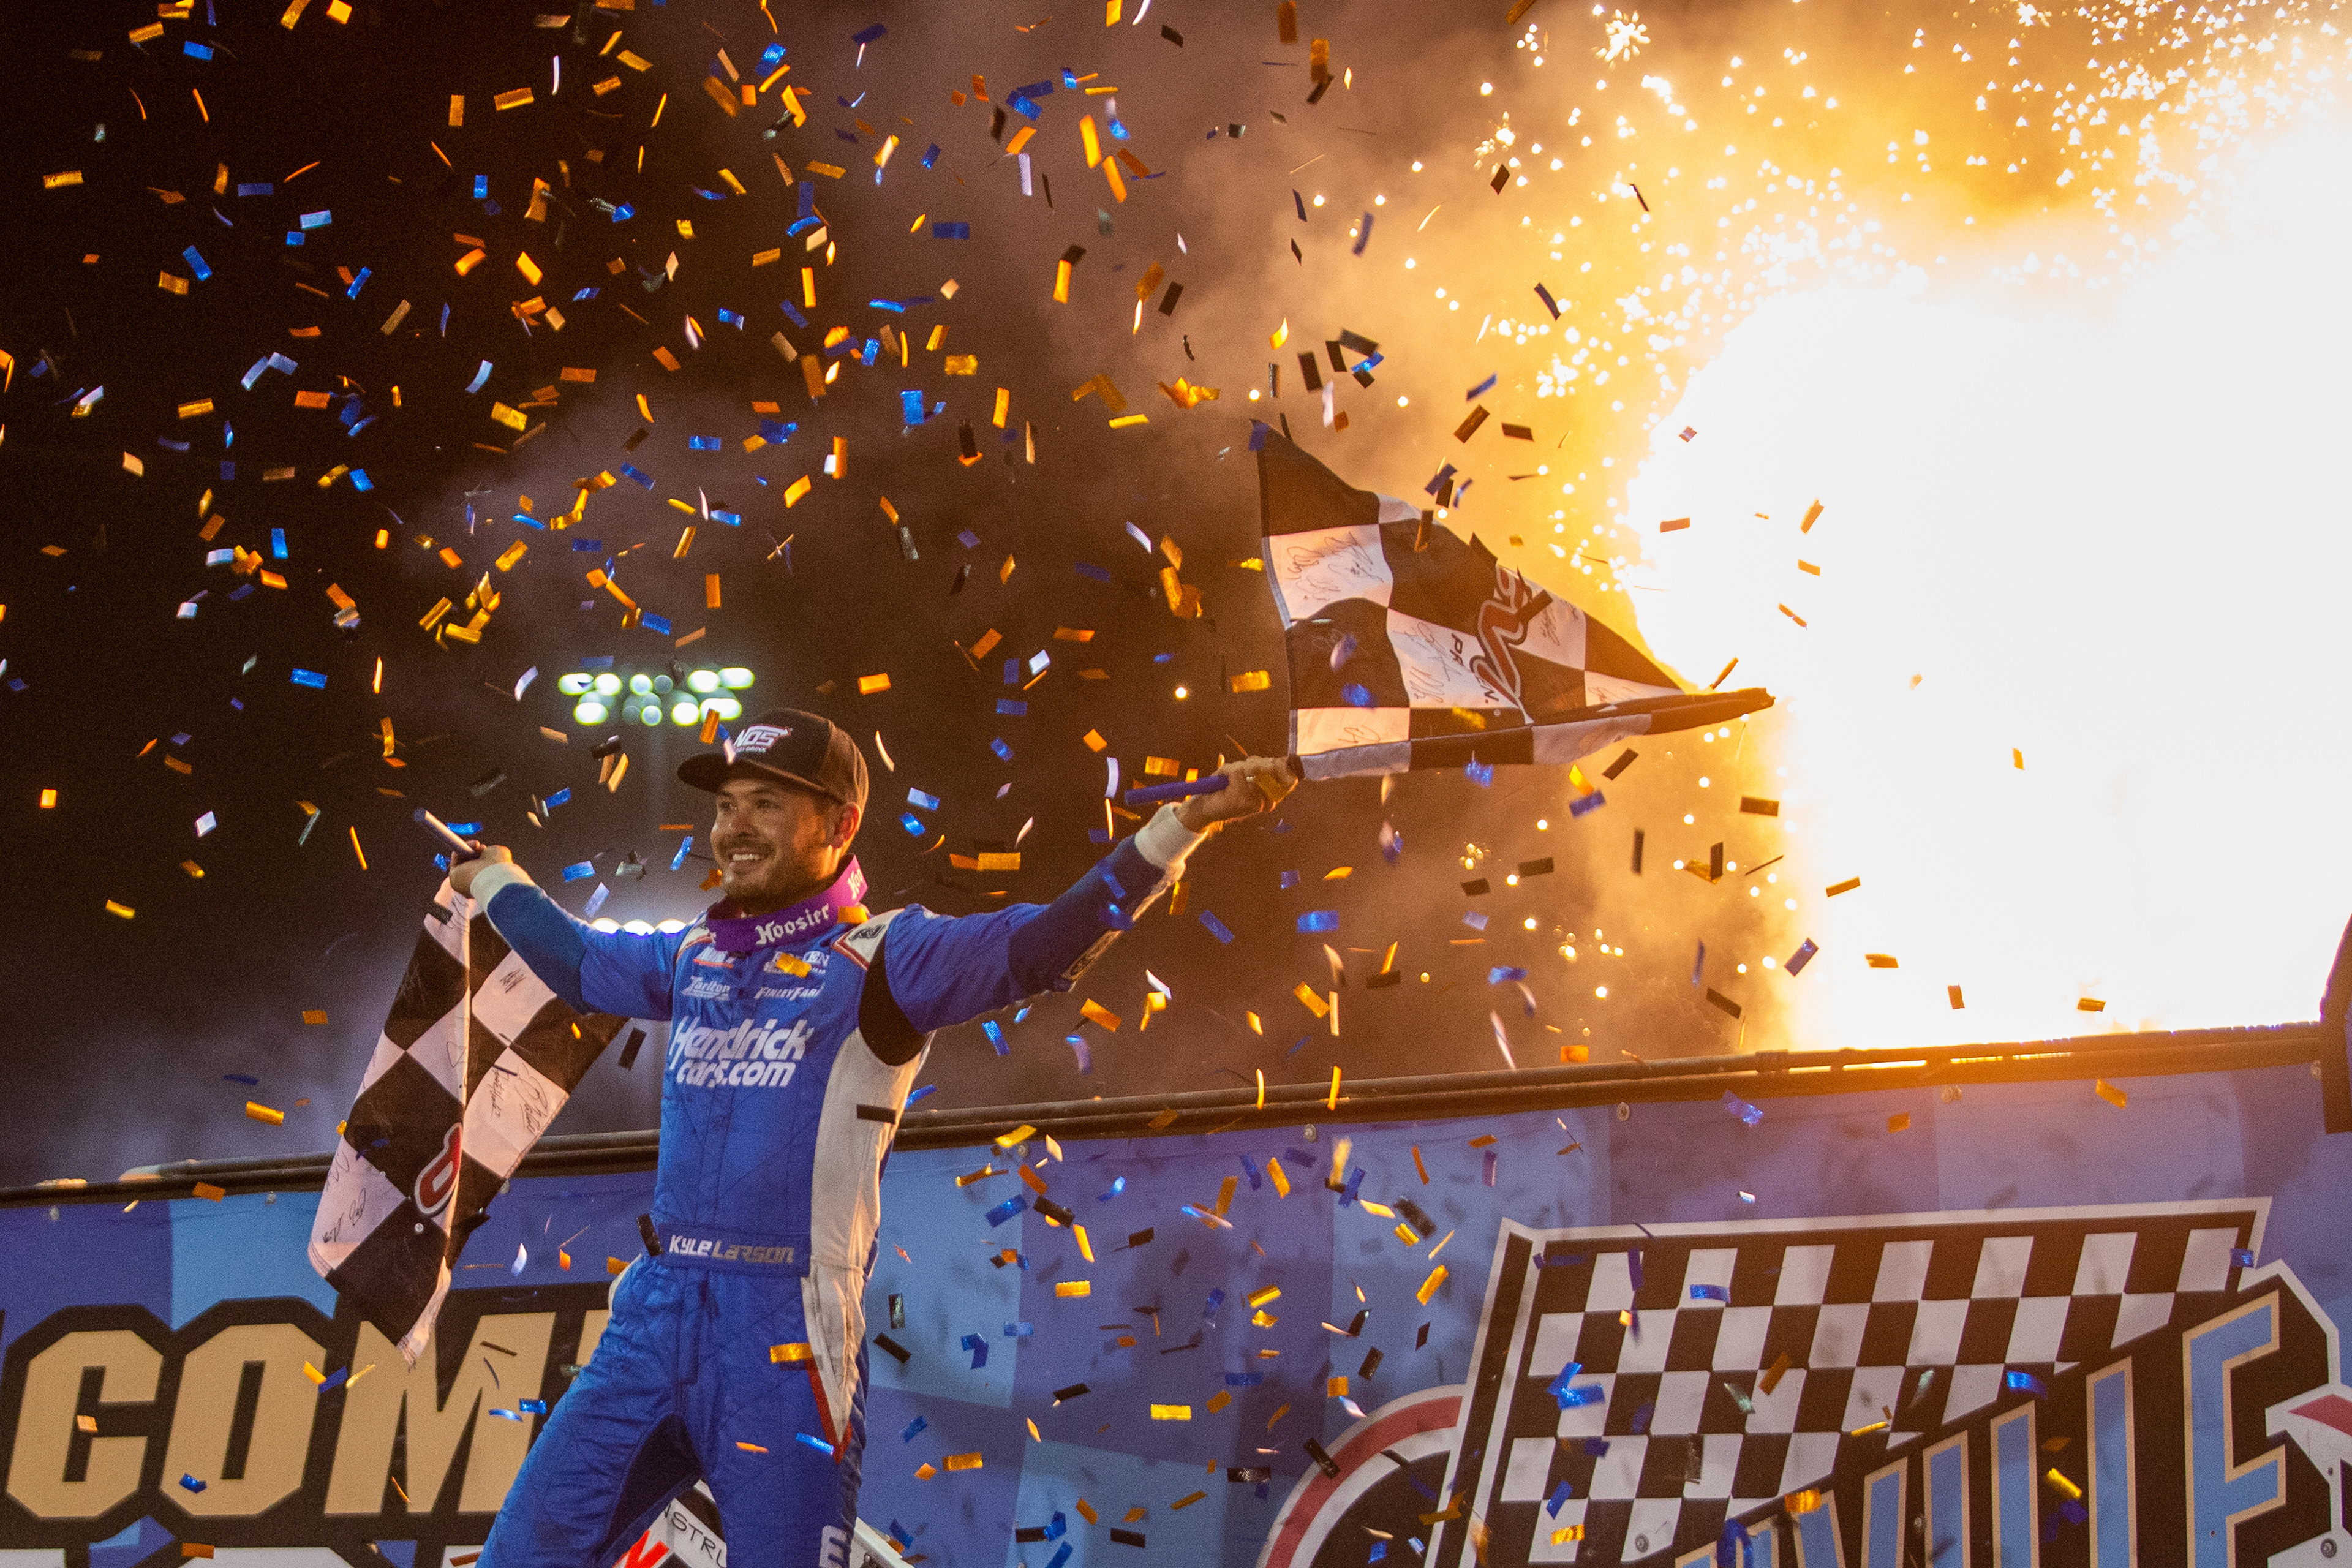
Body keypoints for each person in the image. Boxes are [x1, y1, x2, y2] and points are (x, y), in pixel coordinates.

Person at [450, 707, 1297, 1568]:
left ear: (840, 825)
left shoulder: (885, 959)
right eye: (727, 806)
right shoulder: (695, 956)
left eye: (768, 806)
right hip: (653, 1316)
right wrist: (497, 880)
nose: (734, 827)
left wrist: (1179, 825)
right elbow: (581, 965)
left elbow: (1043, 945)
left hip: (786, 1339)